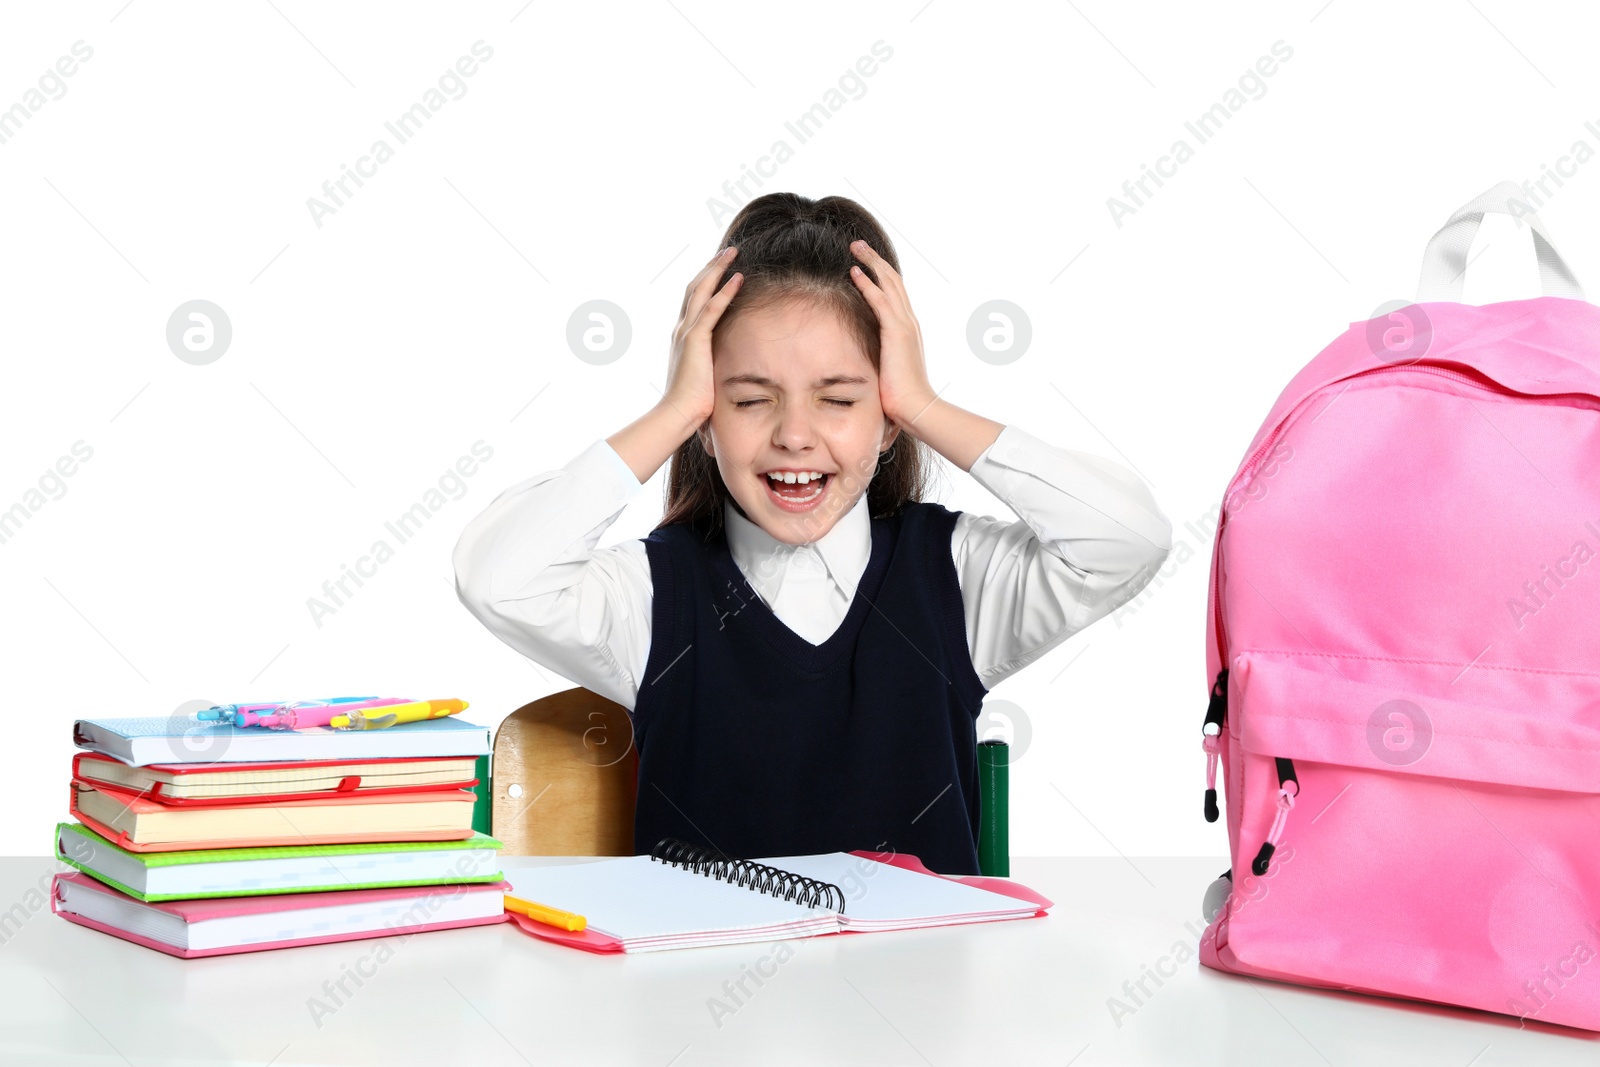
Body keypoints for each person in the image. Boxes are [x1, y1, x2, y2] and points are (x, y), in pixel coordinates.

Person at [453, 193, 1171, 874]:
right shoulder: (651, 596)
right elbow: (499, 580)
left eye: (839, 399)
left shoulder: (956, 575)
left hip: (928, 996)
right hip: (697, 995)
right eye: (749, 399)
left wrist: (923, 403)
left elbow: (1128, 538)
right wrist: (673, 412)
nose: (794, 435)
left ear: (888, 414)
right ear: (707, 413)